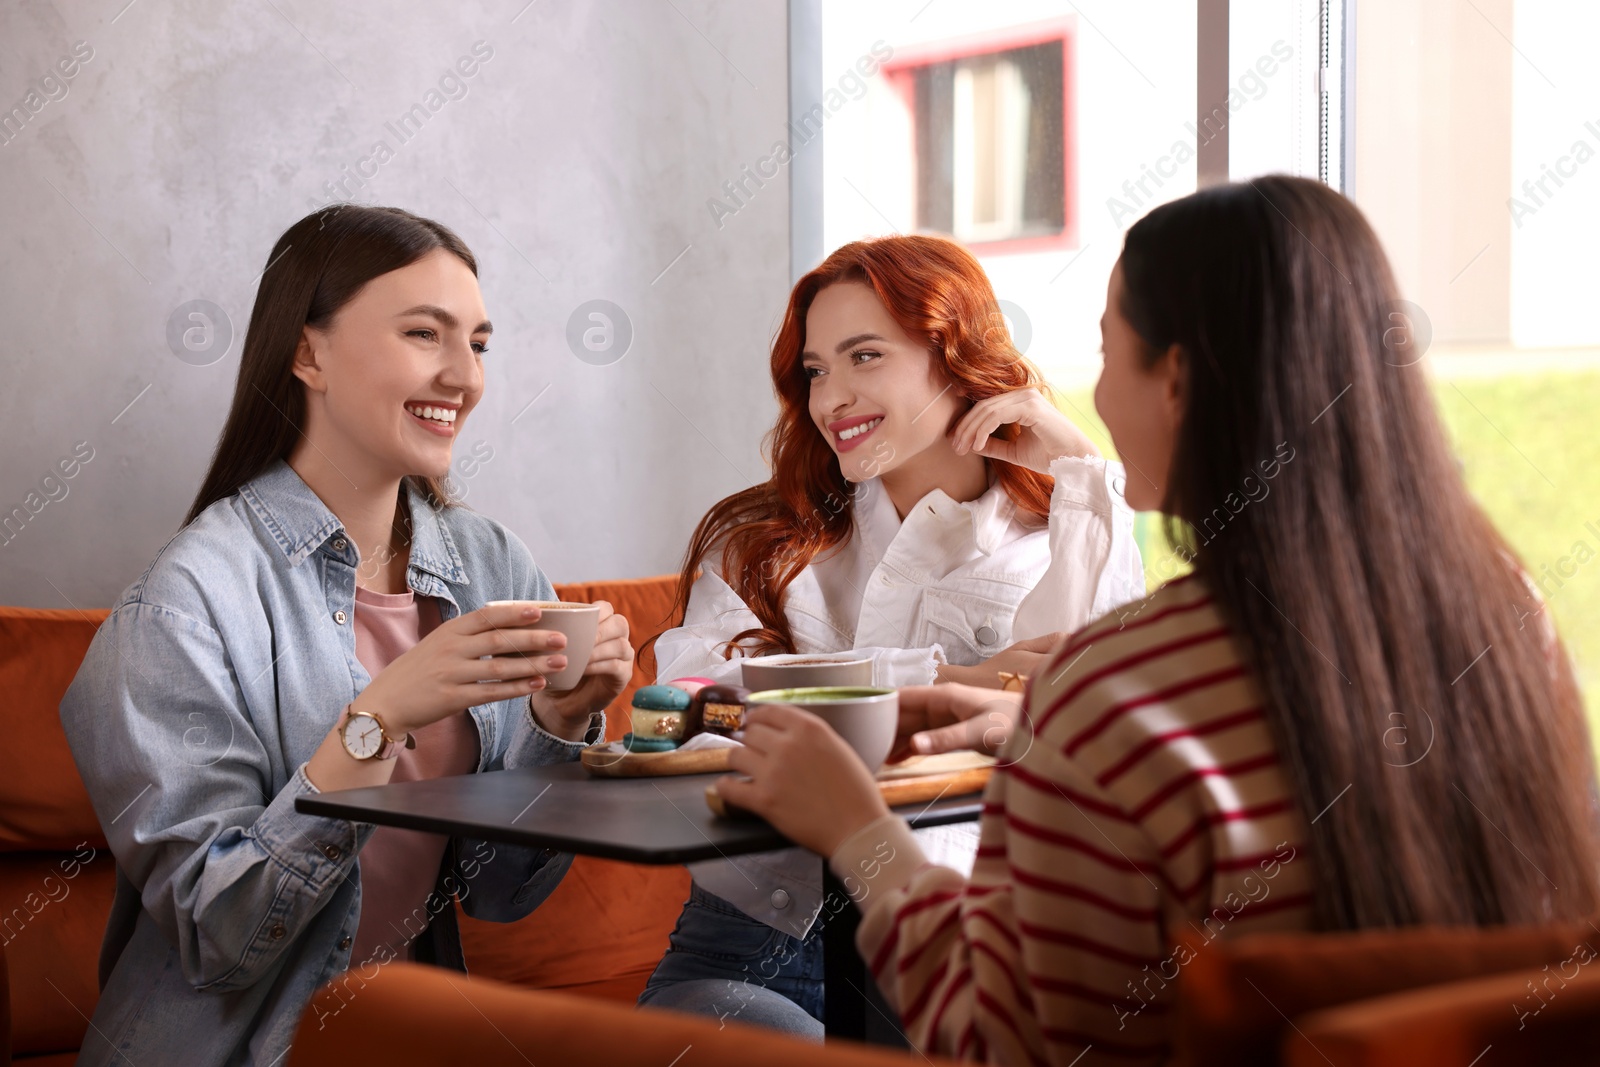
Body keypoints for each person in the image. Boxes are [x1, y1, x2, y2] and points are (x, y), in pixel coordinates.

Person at [719, 175, 1600, 1065]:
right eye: (817, 368)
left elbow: (1002, 1041)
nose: (1089, 399)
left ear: (1174, 378)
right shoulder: (1515, 616)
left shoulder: (1117, 685)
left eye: (1108, 353)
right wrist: (1035, 725)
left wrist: (859, 836)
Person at [59, 205, 634, 1067]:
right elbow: (221, 941)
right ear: (307, 353)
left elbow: (503, 895)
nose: (463, 377)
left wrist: (558, 728)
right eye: (423, 334)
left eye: (478, 344)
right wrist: (377, 721)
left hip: (405, 1038)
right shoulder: (182, 606)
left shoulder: (494, 565)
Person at [644, 234, 1146, 1036]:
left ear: (956, 359)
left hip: (956, 936)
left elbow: (1093, 744)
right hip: (752, 942)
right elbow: (690, 711)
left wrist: (1084, 468)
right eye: (815, 371)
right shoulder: (760, 539)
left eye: (864, 356)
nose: (832, 397)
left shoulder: (1058, 535)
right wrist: (960, 677)